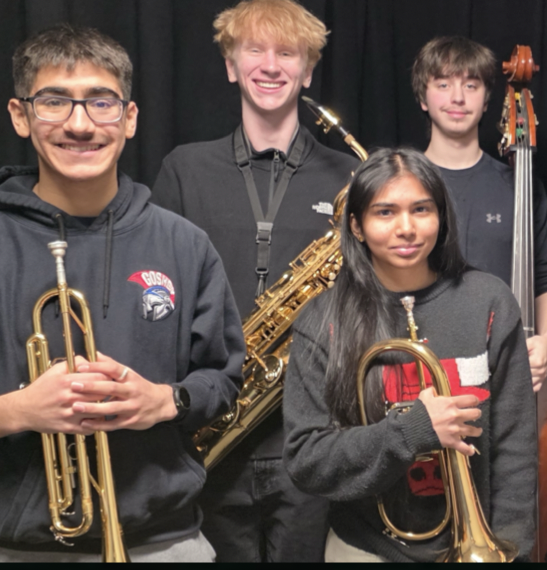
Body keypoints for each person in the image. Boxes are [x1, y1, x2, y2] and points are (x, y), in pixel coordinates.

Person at [0, 24, 244, 562]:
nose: (80, 124)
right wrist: (15, 411)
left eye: (101, 102)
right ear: (20, 115)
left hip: (166, 544)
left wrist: (163, 401)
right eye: (54, 102)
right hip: (12, 550)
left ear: (130, 118)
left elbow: (224, 381)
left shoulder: (185, 244)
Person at [150, 0, 358, 562]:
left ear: (308, 70)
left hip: (312, 436)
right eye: (254, 50)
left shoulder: (350, 177)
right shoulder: (183, 169)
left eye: (287, 52)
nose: (270, 65)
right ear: (230, 64)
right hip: (210, 432)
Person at [282, 148, 537, 562]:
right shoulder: (322, 319)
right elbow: (306, 459)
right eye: (384, 213)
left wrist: (514, 552)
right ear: (357, 226)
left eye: (421, 209)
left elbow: (515, 450)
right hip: (366, 549)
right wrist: (412, 430)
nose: (406, 228)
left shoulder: (489, 301)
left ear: (442, 217)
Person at [412, 36, 547, 392]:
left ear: (486, 101)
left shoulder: (520, 184)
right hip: (422, 371)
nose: (458, 97)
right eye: (443, 84)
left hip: (504, 368)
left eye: (471, 84)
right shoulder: (400, 184)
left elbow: (546, 278)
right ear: (423, 98)